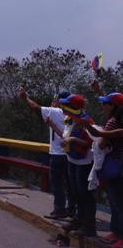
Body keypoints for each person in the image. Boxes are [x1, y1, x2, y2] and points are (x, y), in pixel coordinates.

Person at [19, 87, 74, 219]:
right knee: (71, 185)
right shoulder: (74, 114)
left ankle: (59, 209)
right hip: (71, 155)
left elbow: (36, 108)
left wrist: (25, 98)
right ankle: (72, 210)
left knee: (57, 184)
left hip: (57, 154)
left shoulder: (55, 112)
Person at [49, 94, 96, 237]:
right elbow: (64, 136)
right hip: (72, 160)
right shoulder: (69, 119)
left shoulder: (86, 121)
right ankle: (78, 220)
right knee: (76, 193)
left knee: (85, 194)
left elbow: (90, 143)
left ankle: (88, 226)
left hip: (84, 162)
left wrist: (73, 140)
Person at [81, 92, 123, 247]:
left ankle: (120, 235)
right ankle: (116, 232)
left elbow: (101, 143)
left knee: (117, 202)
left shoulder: (113, 123)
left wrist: (89, 129)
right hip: (118, 166)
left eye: (105, 103)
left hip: (115, 166)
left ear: (113, 107)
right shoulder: (118, 121)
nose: (103, 106)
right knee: (116, 202)